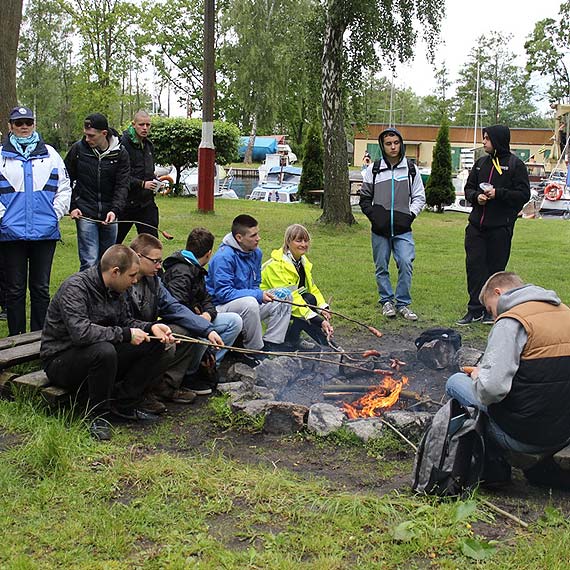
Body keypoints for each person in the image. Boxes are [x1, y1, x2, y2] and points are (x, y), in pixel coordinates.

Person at [446, 271, 570, 487]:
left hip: (523, 436)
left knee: (456, 382)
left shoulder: (511, 322)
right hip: (563, 433)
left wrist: (477, 376)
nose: (494, 317)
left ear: (498, 292)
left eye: (490, 309)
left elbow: (492, 390)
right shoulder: (565, 312)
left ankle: (491, 463)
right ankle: (542, 465)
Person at [40, 245, 176, 441]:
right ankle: (97, 415)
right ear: (115, 272)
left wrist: (151, 327)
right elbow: (81, 333)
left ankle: (125, 404)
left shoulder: (117, 289)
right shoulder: (76, 288)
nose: (135, 280)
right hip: (61, 359)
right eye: (131, 275)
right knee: (104, 351)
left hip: (99, 353)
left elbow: (126, 321)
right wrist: (126, 334)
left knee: (153, 343)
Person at [0, 106, 71, 335]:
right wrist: (4, 219)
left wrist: (54, 215)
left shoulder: (50, 154)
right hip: (11, 234)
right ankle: (15, 338)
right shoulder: (1, 155)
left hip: (45, 233)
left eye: (28, 122)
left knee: (41, 289)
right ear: (10, 126)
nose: (23, 127)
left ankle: (39, 337)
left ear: (34, 125)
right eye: (18, 123)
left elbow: (64, 187)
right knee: (15, 290)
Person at [127, 233, 224, 400]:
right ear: (138, 256)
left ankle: (165, 387)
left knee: (185, 330)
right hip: (129, 335)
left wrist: (207, 330)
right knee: (165, 344)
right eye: (155, 261)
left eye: (160, 261)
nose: (159, 267)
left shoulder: (154, 282)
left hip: (148, 330)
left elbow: (175, 307)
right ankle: (140, 393)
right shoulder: (123, 280)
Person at [457, 125, 530, 325]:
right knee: (474, 267)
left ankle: (492, 310)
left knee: (495, 270)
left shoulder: (516, 165)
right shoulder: (481, 163)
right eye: (484, 138)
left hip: (500, 228)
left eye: (487, 138)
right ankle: (474, 310)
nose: (484, 142)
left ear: (498, 140)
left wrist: (499, 194)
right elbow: (469, 188)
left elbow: (523, 195)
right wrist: (476, 197)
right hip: (476, 228)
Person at [359, 127, 425, 321]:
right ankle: (386, 301)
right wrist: (374, 216)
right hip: (380, 230)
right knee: (381, 266)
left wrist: (409, 215)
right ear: (383, 146)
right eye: (388, 144)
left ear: (401, 144)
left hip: (403, 229)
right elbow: (364, 198)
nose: (393, 147)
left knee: (405, 262)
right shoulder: (375, 169)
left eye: (396, 143)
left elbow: (420, 197)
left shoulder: (411, 169)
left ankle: (403, 303)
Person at [205, 214, 292, 362]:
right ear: (239, 238)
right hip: (220, 307)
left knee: (284, 295)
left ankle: (271, 343)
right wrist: (257, 295)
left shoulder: (256, 253)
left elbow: (254, 284)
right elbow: (223, 293)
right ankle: (253, 350)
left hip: (246, 304)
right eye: (253, 235)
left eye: (258, 233)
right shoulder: (224, 257)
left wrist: (258, 294)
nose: (258, 238)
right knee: (250, 303)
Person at [162, 227, 243, 367]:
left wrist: (207, 315)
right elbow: (176, 308)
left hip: (197, 319)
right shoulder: (181, 272)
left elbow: (207, 299)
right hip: (181, 323)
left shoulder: (195, 269)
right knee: (202, 338)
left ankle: (210, 364)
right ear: (209, 254)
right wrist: (197, 319)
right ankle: (192, 371)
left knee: (234, 321)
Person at [65, 113, 130, 271]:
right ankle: (86, 295)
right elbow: (65, 179)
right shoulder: (78, 150)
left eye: (91, 136)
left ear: (104, 134)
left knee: (108, 262)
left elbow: (122, 185)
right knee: (89, 261)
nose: (87, 139)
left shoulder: (120, 153)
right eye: (85, 135)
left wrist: (115, 210)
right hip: (85, 212)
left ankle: (105, 295)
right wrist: (72, 205)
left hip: (110, 214)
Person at [260, 224, 333, 349]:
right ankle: (274, 344)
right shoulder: (277, 266)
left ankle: (292, 339)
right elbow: (293, 299)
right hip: (267, 305)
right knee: (305, 307)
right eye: (298, 240)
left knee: (309, 298)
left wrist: (323, 308)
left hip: (288, 303)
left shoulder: (302, 261)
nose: (303, 244)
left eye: (306, 240)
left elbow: (311, 288)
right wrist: (319, 321)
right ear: (288, 242)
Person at [116, 110, 160, 243]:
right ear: (133, 124)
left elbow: (148, 171)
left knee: (151, 243)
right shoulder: (122, 144)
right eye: (141, 125)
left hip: (146, 203)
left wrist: (154, 180)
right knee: (113, 242)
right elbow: (120, 176)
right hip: (126, 203)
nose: (145, 128)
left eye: (148, 125)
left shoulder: (148, 145)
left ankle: (151, 263)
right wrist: (141, 183)